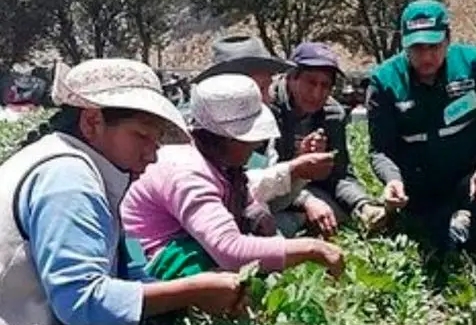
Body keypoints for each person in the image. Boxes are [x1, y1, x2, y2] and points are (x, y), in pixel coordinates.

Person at [0, 58, 246, 325]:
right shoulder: (67, 177)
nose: (151, 156)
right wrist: (194, 291)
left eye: (155, 142)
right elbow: (80, 300)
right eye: (142, 136)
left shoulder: (74, 162)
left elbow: (118, 273)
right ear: (92, 122)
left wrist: (189, 290)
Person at [121, 74, 345, 281]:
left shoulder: (223, 166)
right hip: (154, 271)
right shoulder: (187, 172)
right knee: (223, 277)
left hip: (188, 253)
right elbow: (230, 251)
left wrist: (259, 218)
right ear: (225, 139)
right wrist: (312, 249)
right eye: (249, 138)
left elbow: (248, 202)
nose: (256, 144)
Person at [366, 0, 476, 257]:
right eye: (417, 48)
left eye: (434, 46)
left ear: (448, 39)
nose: (426, 56)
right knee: (434, 244)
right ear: (404, 45)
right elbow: (380, 149)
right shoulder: (384, 81)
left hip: (468, 177)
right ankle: (440, 228)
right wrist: (392, 180)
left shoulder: (473, 64)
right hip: (418, 187)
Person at [189, 35, 335, 234]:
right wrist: (293, 170)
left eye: (267, 88)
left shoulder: (265, 136)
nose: (267, 99)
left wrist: (300, 172)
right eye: (260, 90)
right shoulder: (192, 140)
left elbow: (270, 201)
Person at [266, 42, 386, 237]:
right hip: (267, 195)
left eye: (325, 86)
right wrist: (305, 198)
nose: (317, 94)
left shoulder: (332, 115)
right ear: (291, 77)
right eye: (311, 83)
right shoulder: (267, 108)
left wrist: (362, 204)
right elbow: (257, 178)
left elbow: (340, 176)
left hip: (313, 190)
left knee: (351, 215)